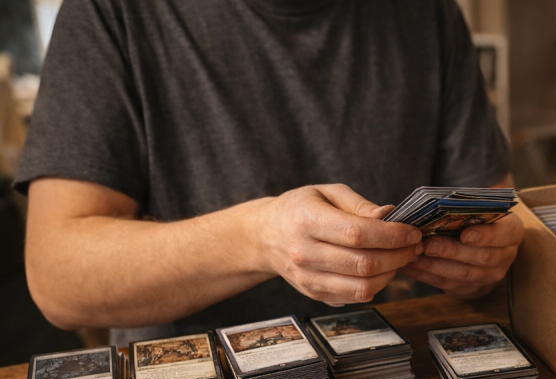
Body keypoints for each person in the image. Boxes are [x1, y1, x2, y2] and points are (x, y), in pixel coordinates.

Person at [14, 0, 523, 346]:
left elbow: (496, 209)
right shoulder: (112, 12)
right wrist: (259, 238)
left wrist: (492, 256)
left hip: (404, 366)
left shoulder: (427, 12)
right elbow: (58, 279)